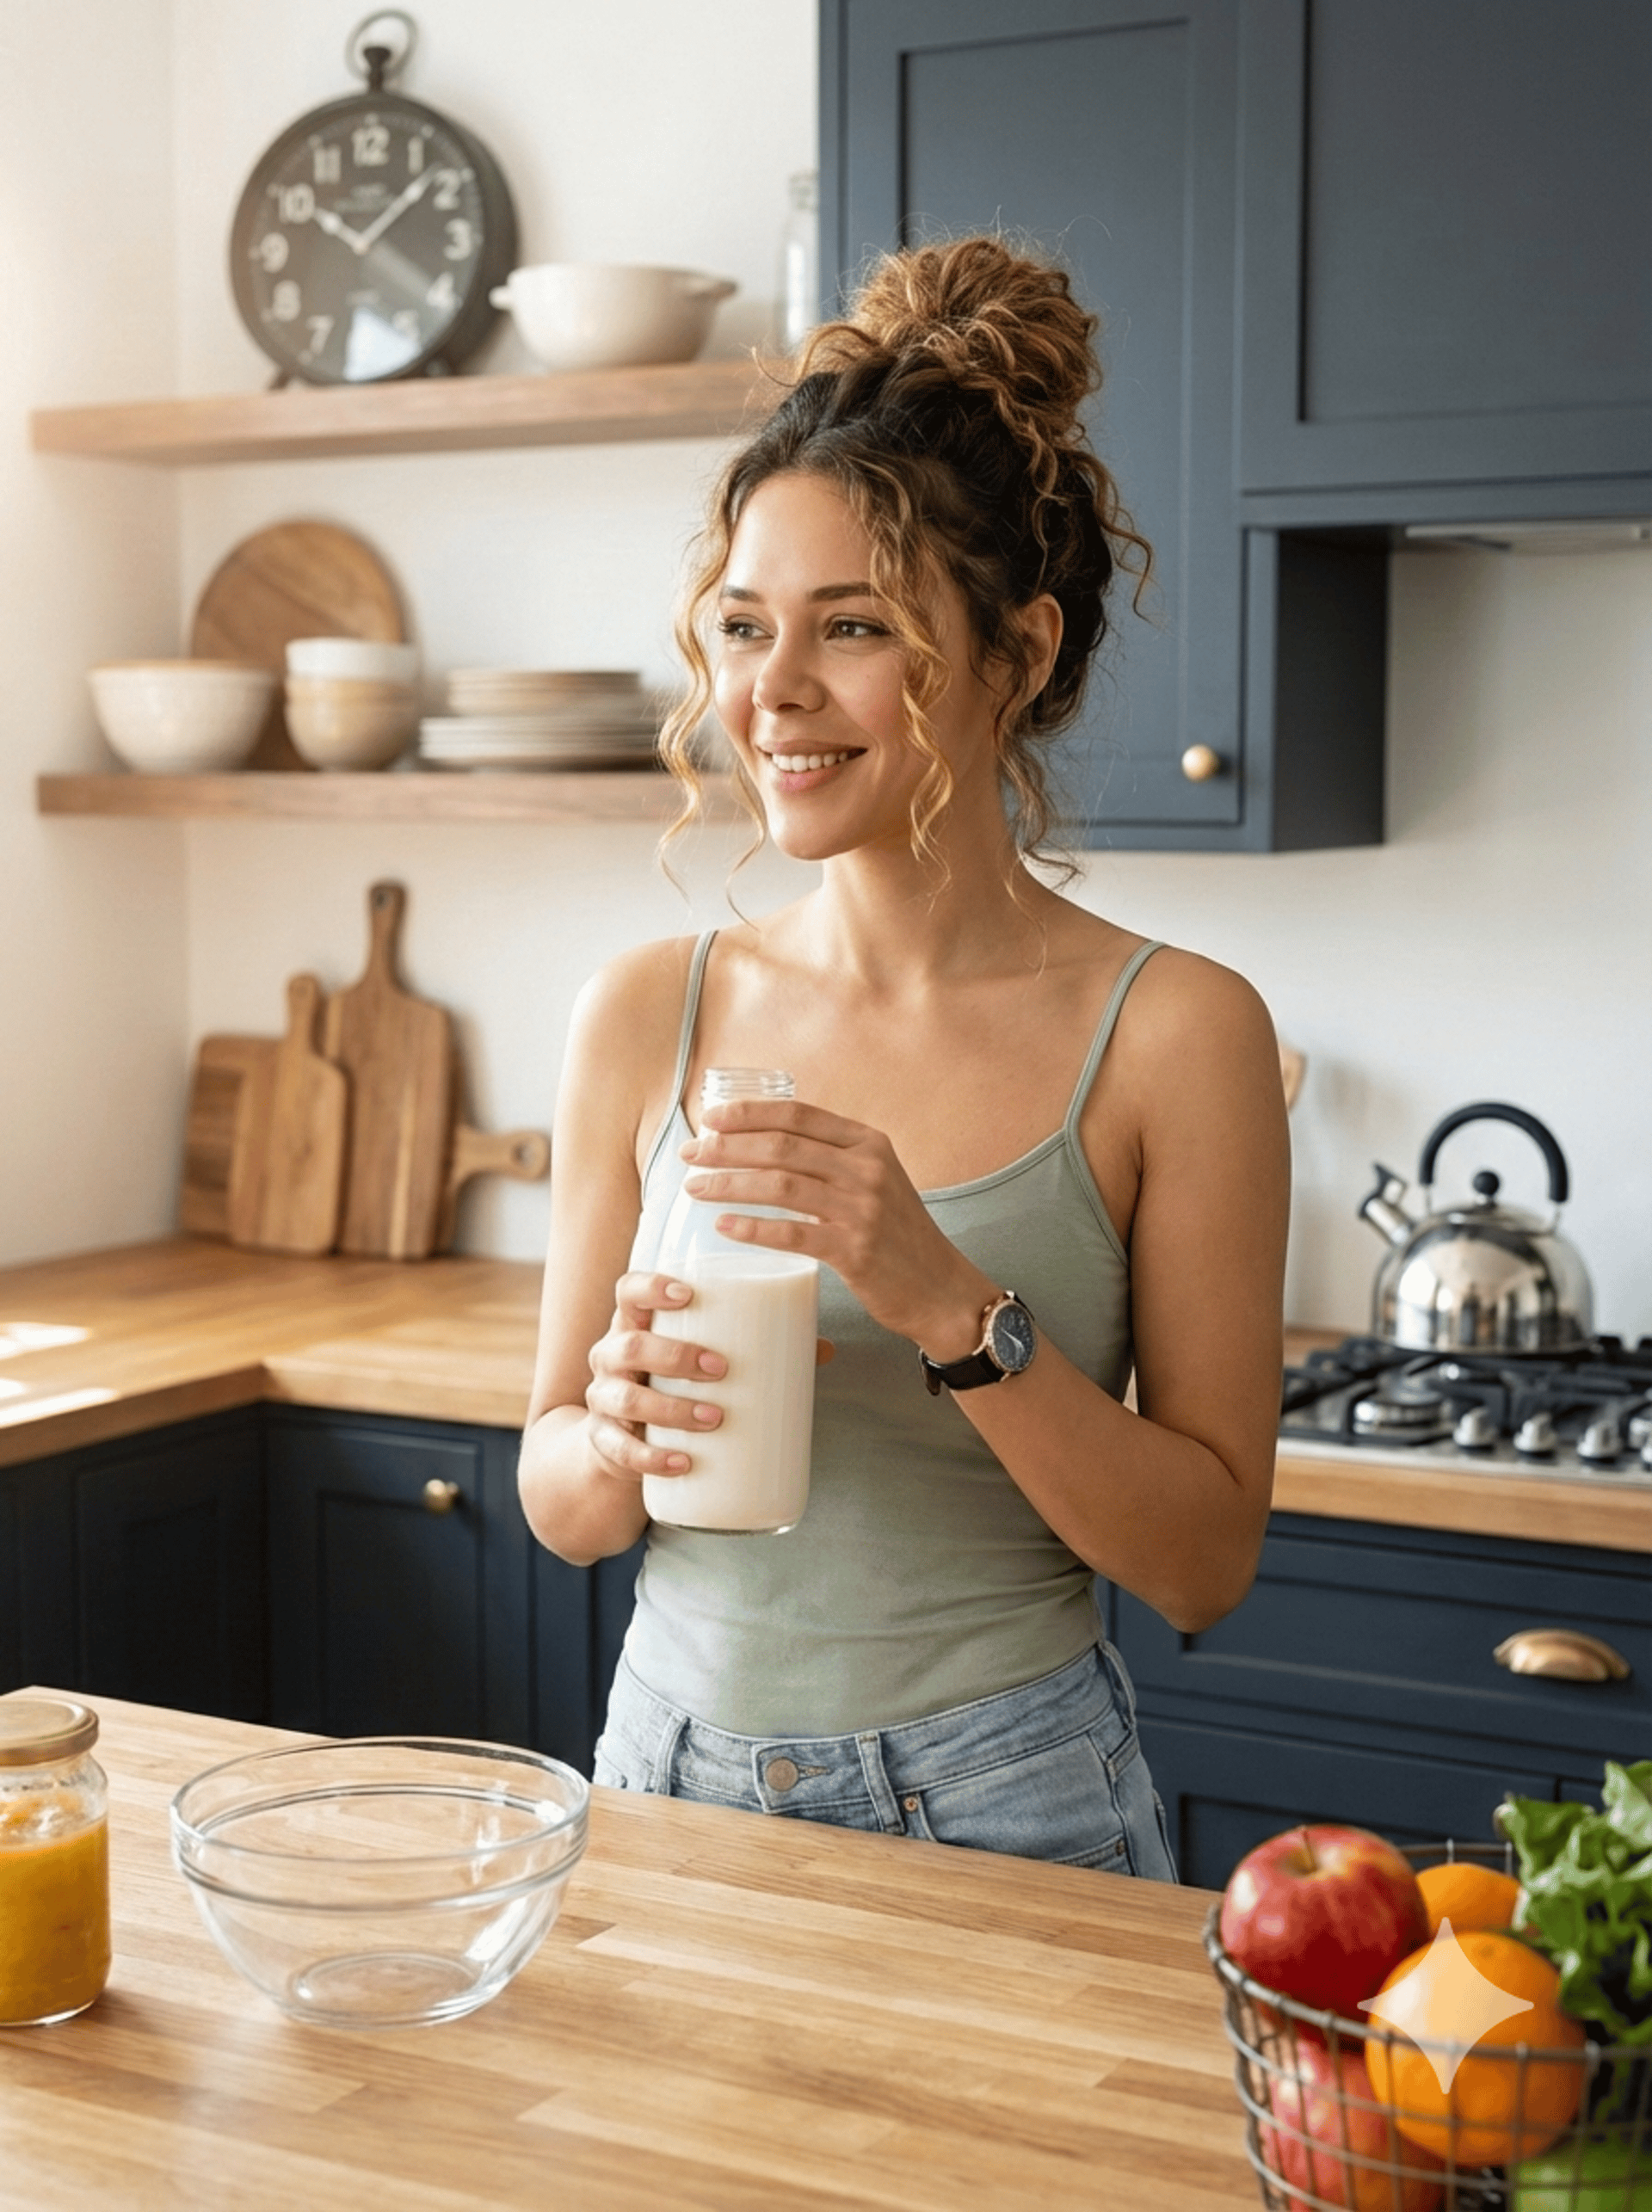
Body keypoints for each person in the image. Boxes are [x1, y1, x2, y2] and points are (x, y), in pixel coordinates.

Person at [518, 235, 1290, 1879]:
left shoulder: (1177, 1033)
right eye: (743, 627)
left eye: (852, 626)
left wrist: (947, 1299)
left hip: (1008, 1805)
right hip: (662, 1778)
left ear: (1018, 652)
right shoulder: (642, 1012)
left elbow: (1206, 1562)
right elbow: (563, 1500)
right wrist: (612, 1433)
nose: (773, 693)